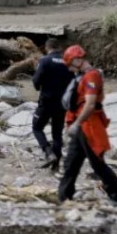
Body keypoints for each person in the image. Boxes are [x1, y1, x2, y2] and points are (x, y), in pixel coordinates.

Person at [58, 45, 117, 205]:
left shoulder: (91, 77)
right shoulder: (83, 77)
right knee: (71, 163)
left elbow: (90, 104)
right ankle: (64, 197)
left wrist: (77, 123)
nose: (69, 69)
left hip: (90, 125)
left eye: (69, 64)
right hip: (82, 124)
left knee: (97, 164)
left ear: (77, 60)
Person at [32, 38, 74, 171]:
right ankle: (55, 164)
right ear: (59, 47)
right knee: (57, 133)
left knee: (37, 127)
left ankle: (48, 152)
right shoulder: (68, 62)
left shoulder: (44, 61)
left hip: (47, 101)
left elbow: (36, 83)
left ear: (46, 48)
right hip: (62, 103)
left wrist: (37, 74)